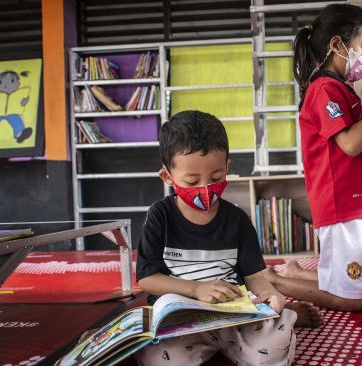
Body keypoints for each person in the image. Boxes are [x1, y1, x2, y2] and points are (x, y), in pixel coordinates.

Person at [134, 110, 321, 365]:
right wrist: (196, 289)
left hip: (234, 317)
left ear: (227, 168)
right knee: (157, 357)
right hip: (182, 320)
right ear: (168, 176)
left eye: (216, 178)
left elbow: (254, 276)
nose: (206, 189)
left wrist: (272, 295)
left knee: (274, 341)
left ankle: (286, 316)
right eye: (191, 181)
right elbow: (147, 279)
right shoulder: (160, 216)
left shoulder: (237, 219)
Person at [262, 4, 362, 312]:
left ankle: (296, 274)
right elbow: (352, 144)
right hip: (345, 205)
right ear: (337, 45)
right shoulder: (324, 89)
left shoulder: (339, 88)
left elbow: (358, 135)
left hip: (360, 203)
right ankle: (272, 281)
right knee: (352, 300)